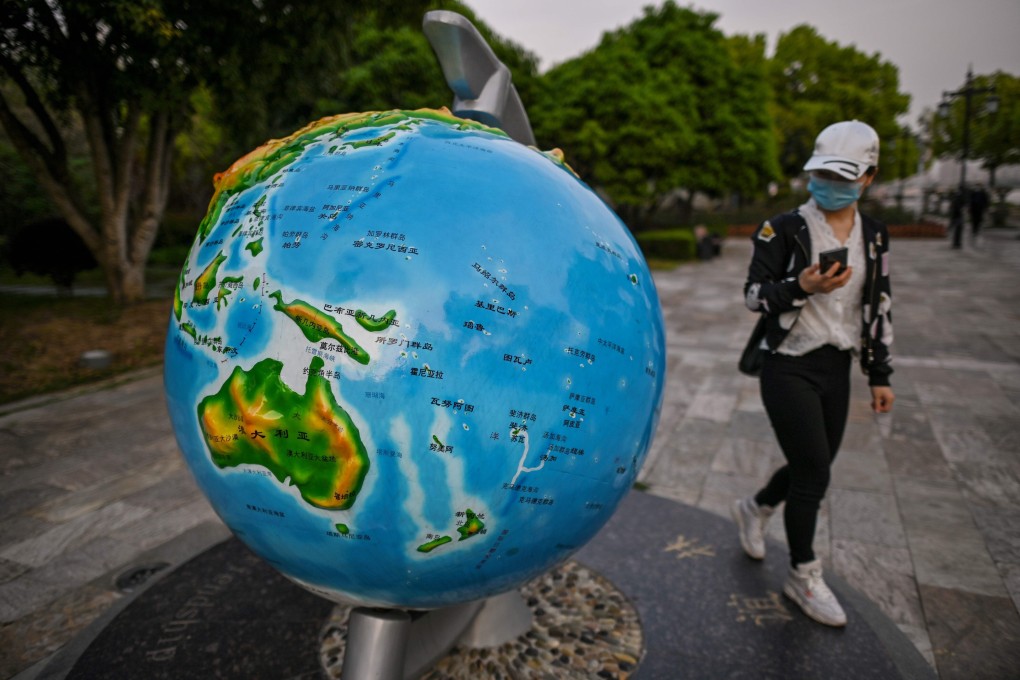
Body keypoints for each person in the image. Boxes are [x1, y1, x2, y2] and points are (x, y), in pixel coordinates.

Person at [732, 120, 895, 627]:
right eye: (821, 173)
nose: (829, 183)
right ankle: (803, 574)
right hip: (787, 364)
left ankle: (755, 507)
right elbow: (752, 296)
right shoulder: (782, 228)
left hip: (836, 366)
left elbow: (880, 304)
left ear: (867, 177)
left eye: (843, 176)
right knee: (815, 473)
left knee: (812, 464)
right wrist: (800, 285)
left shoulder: (875, 236)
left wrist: (880, 373)